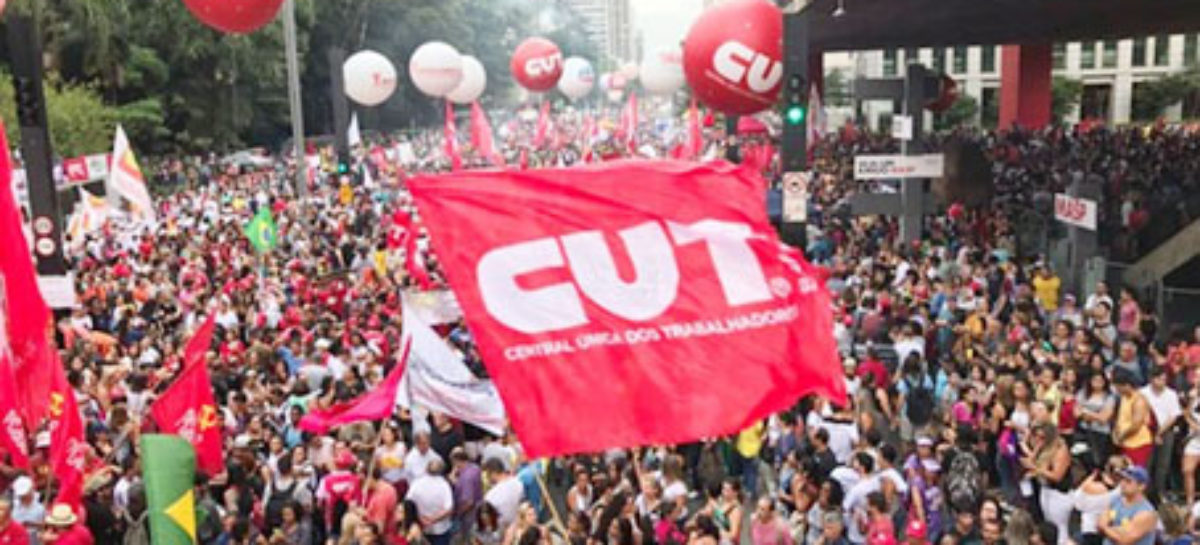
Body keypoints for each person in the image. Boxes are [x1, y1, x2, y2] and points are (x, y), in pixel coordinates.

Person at [1139, 365, 1181, 501]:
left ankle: (1160, 492)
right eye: (1159, 379)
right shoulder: (1142, 393)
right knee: (1146, 463)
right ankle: (1144, 493)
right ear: (1152, 379)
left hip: (1166, 432)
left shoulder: (1171, 394)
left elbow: (1173, 416)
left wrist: (1159, 432)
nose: (1162, 382)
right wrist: (1153, 432)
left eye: (1164, 379)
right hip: (1146, 432)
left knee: (1163, 464)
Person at [1097, 467, 1156, 545]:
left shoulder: (1146, 513)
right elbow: (1099, 524)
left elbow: (1124, 540)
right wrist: (1119, 530)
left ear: (1141, 486)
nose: (1122, 484)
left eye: (1128, 481)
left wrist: (1105, 528)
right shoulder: (1116, 500)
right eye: (1122, 479)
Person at [406, 459, 455, 545]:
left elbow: (408, 502)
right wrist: (433, 519)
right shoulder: (444, 485)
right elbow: (449, 509)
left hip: (421, 527)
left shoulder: (417, 483)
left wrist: (420, 517)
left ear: (426, 469)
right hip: (440, 529)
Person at [1111, 370, 1153, 468]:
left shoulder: (1139, 400)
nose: (1117, 390)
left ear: (1126, 385)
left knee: (1135, 474)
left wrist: (1122, 437)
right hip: (1125, 443)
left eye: (1118, 387)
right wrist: (1115, 432)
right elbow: (1120, 418)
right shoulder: (1124, 397)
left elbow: (1136, 425)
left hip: (1138, 443)